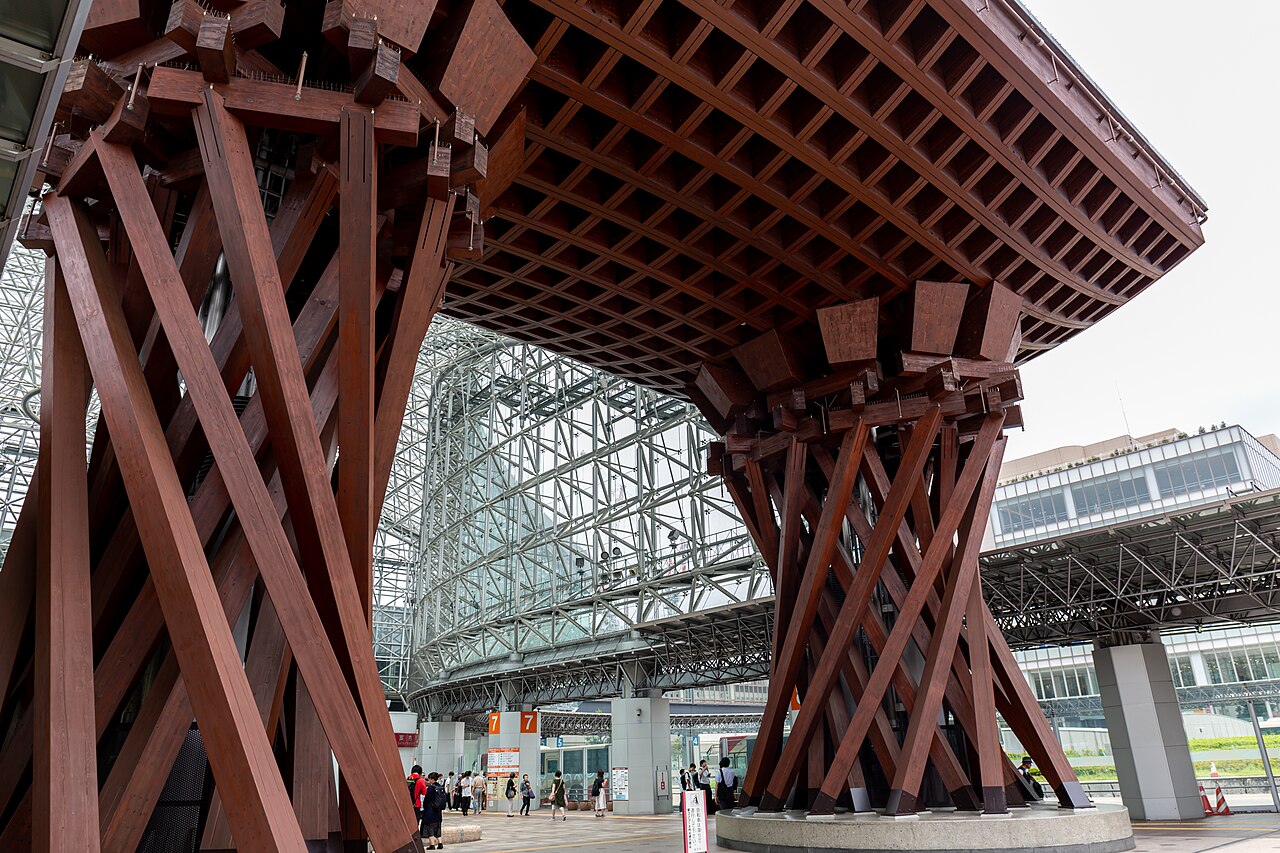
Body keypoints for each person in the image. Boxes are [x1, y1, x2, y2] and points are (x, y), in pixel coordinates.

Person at [421, 771, 449, 850]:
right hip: (438, 811)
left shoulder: (431, 788)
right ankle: (440, 843)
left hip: (430, 810)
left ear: (432, 779)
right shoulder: (440, 787)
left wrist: (424, 807)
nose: (429, 781)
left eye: (429, 779)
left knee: (429, 826)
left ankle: (432, 845)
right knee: (437, 827)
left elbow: (426, 800)